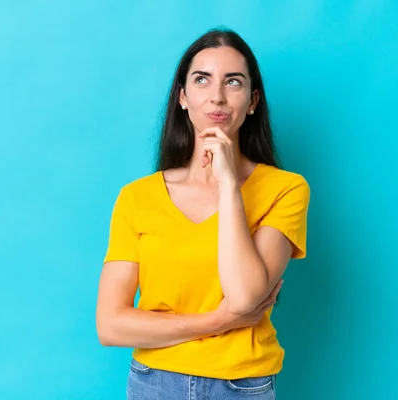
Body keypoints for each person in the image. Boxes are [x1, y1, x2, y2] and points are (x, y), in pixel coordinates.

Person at [96, 28, 310, 399]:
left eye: (233, 82)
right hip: (154, 382)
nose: (217, 96)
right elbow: (111, 325)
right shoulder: (137, 197)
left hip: (242, 386)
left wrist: (229, 186)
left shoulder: (286, 189)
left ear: (253, 100)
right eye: (202, 80)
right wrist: (220, 321)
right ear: (182, 96)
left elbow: (244, 298)